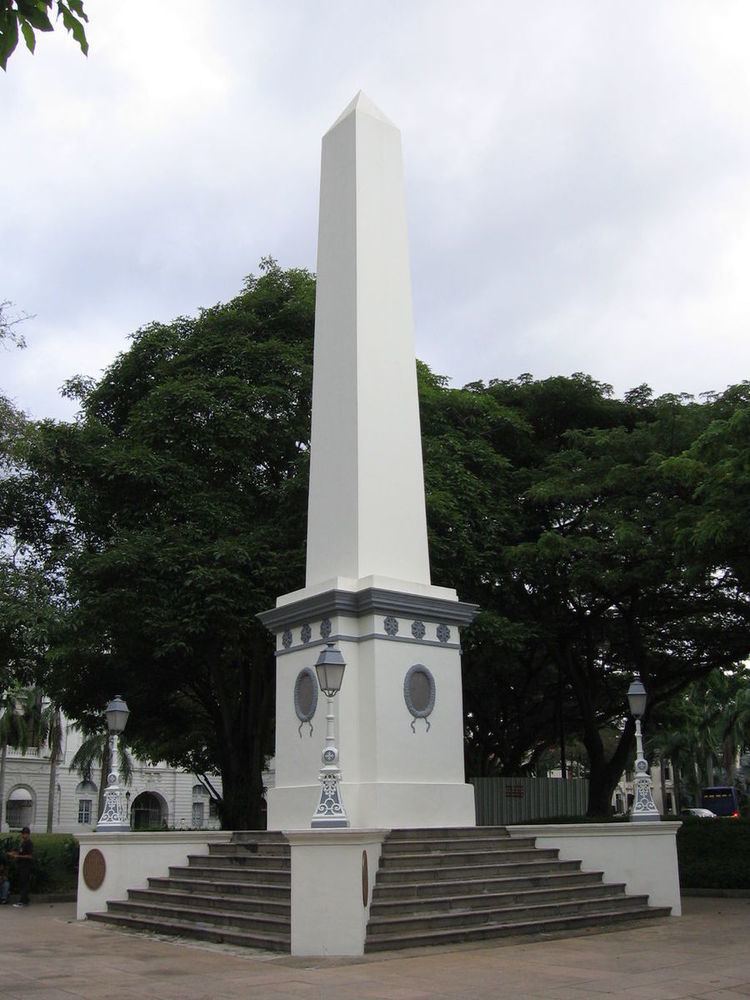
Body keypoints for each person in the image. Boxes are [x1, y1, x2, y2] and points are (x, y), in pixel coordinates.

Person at [8, 826, 33, 907]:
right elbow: (20, 852)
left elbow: (30, 856)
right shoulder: (23, 843)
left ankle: (23, 901)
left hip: (26, 866)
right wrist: (13, 854)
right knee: (22, 883)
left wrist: (18, 857)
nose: (24, 835)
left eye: (25, 834)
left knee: (24, 883)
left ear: (28, 834)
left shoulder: (29, 843)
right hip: (21, 865)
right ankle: (26, 899)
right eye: (23, 834)